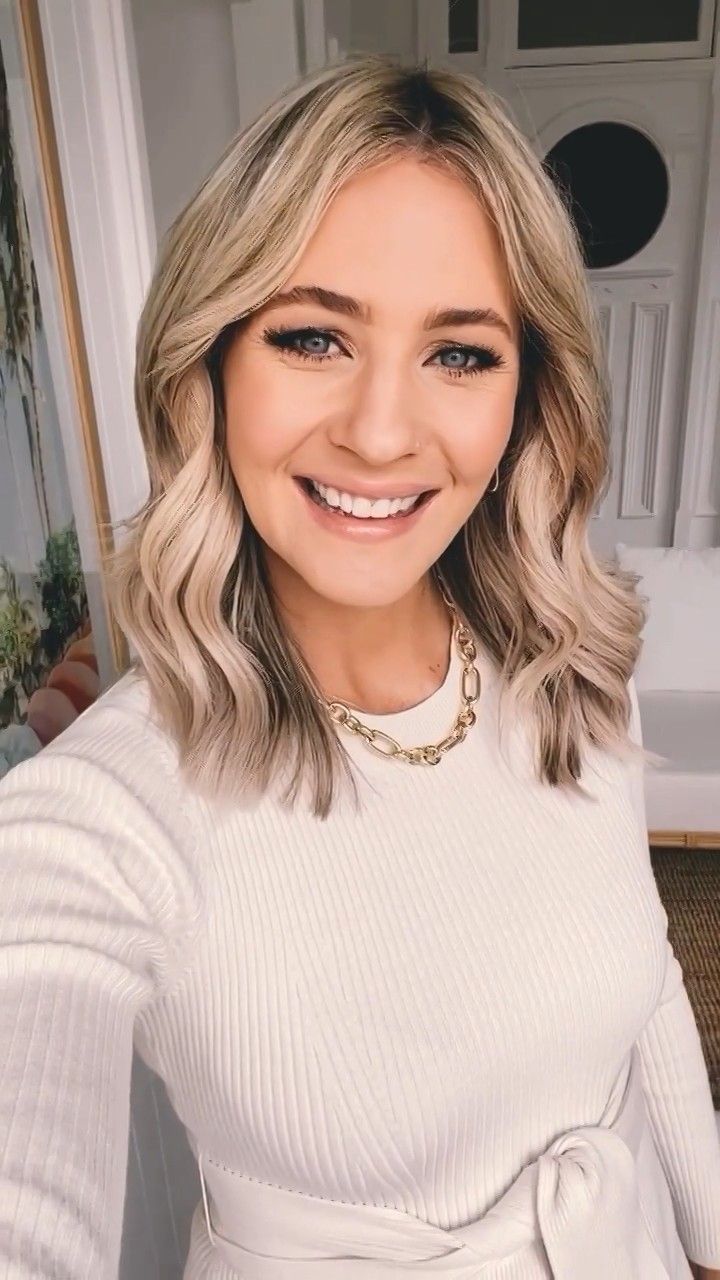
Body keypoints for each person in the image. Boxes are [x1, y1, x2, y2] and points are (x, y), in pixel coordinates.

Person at [0, 54, 718, 1280]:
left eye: (460, 353)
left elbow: (641, 976)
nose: (382, 432)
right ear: (211, 365)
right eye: (313, 336)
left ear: (527, 393)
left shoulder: (573, 671)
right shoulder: (97, 816)